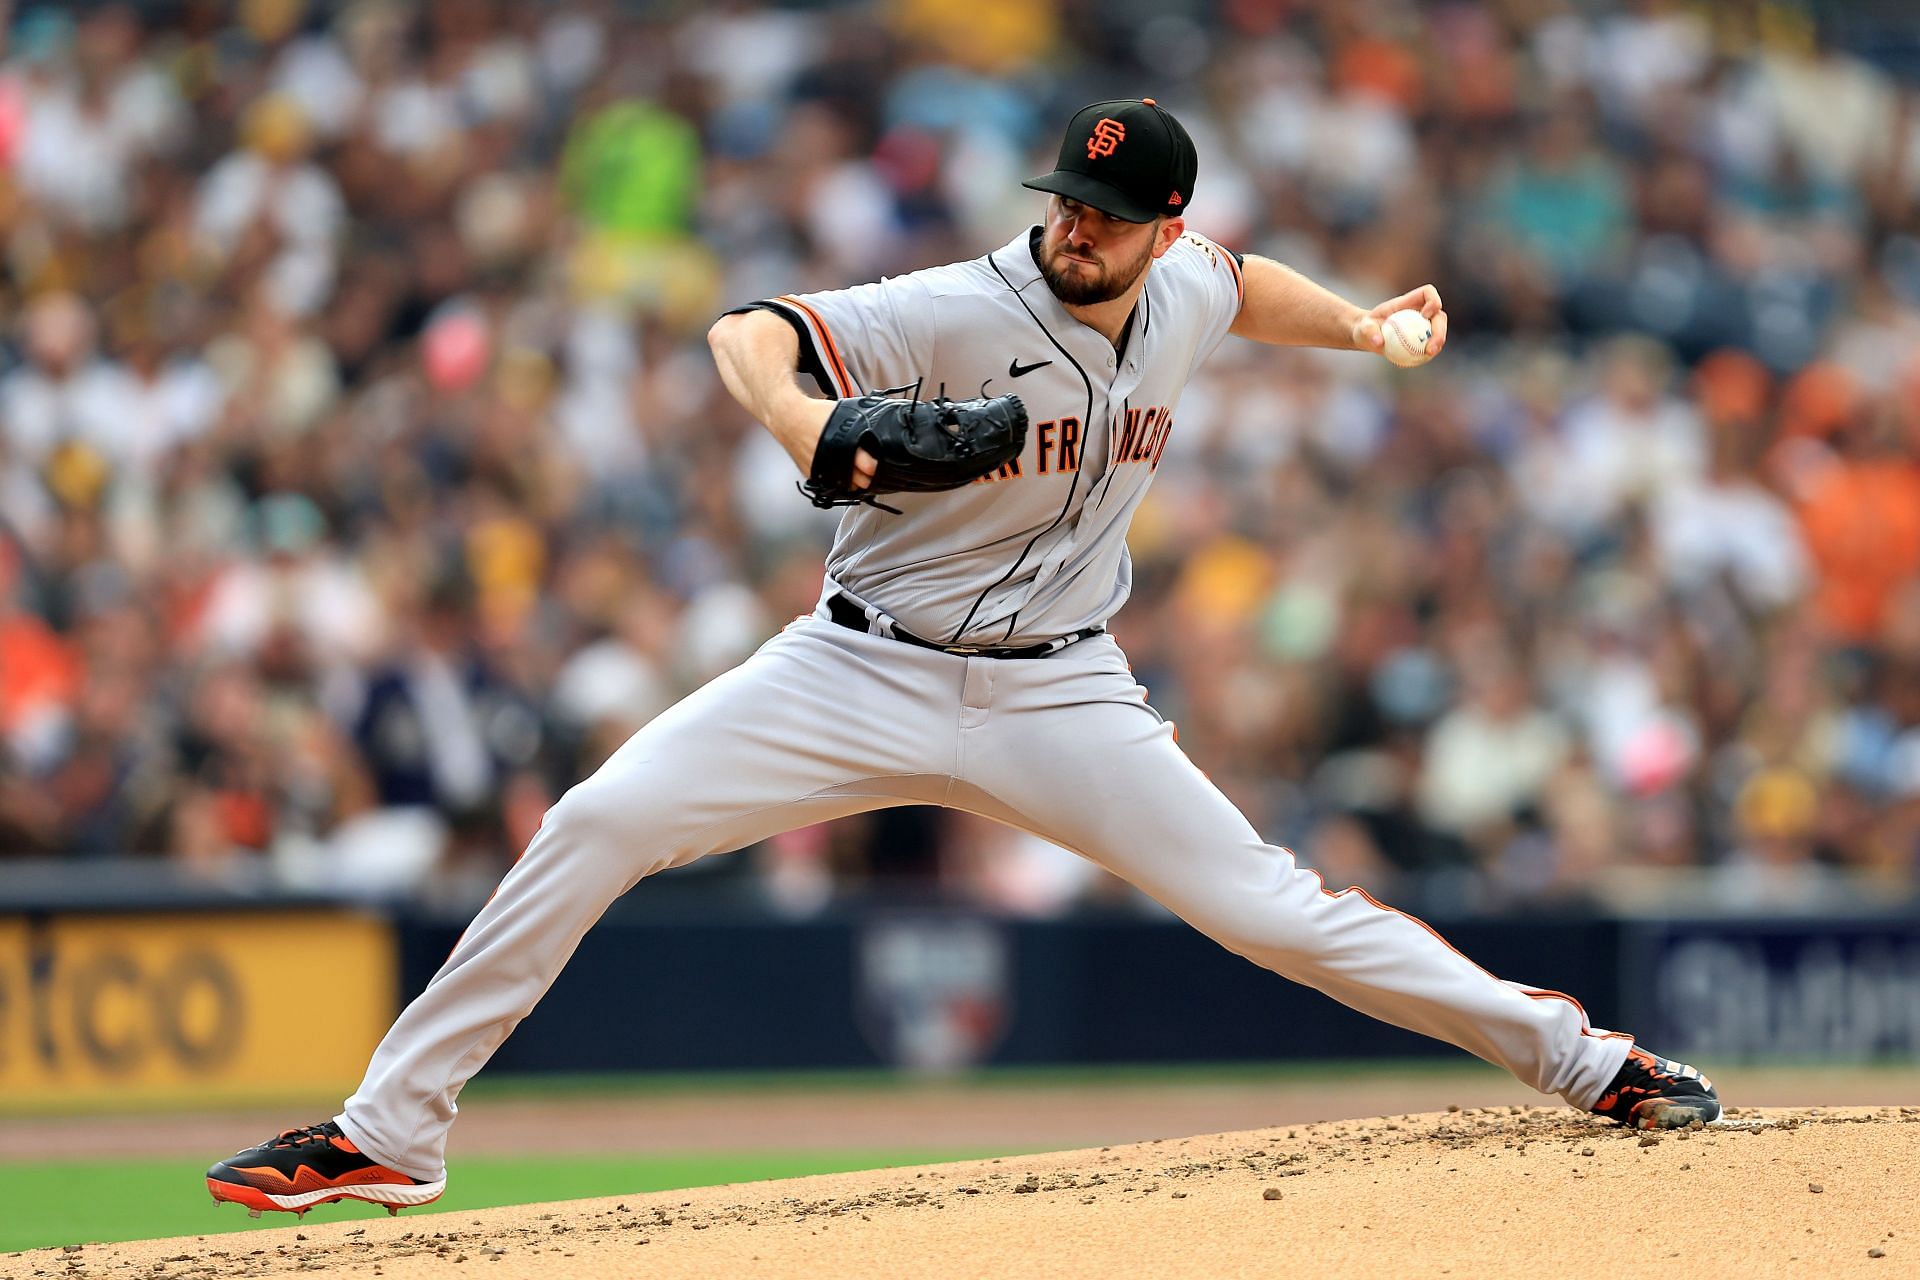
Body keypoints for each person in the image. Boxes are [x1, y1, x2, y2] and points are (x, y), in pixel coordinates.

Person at [206, 98, 1719, 1218]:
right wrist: (820, 432)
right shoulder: (955, 304)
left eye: (1106, 216)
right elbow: (749, 332)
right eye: (1064, 202)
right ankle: (394, 1130)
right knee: (596, 821)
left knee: (1274, 908)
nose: (1073, 228)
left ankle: (1583, 1063)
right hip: (855, 669)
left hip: (1063, 685)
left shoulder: (1187, 284)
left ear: (1163, 230)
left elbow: (1249, 286)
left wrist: (1370, 329)